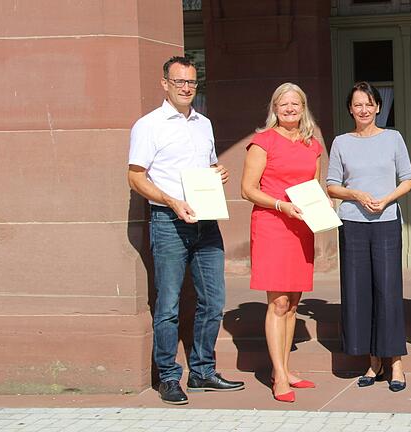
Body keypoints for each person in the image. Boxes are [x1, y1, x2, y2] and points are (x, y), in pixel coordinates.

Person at [127, 56, 245, 405]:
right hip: (169, 221)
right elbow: (135, 176)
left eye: (191, 82)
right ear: (165, 83)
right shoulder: (148, 125)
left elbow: (206, 167)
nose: (186, 88)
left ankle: (203, 371)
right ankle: (167, 376)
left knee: (213, 300)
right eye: (179, 81)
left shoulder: (203, 124)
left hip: (206, 221)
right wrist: (170, 201)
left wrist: (218, 173)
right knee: (168, 303)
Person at [326, 81, 411, 392]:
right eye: (357, 104)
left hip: (386, 220)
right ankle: (372, 360)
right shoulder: (341, 142)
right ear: (350, 109)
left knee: (388, 290)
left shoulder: (393, 138)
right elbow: (332, 185)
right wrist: (354, 194)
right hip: (352, 224)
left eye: (369, 104)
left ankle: (395, 361)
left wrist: (387, 199)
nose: (363, 109)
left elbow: (408, 179)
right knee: (358, 291)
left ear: (378, 107)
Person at [240, 82, 324, 403]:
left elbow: (315, 185)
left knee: (292, 304)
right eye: (283, 104)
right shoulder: (262, 142)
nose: (290, 109)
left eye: (296, 104)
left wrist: (322, 205)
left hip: (302, 227)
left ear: (303, 108)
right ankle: (278, 375)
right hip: (273, 224)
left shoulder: (311, 144)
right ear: (274, 109)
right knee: (277, 302)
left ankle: (285, 369)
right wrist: (280, 204)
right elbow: (247, 189)